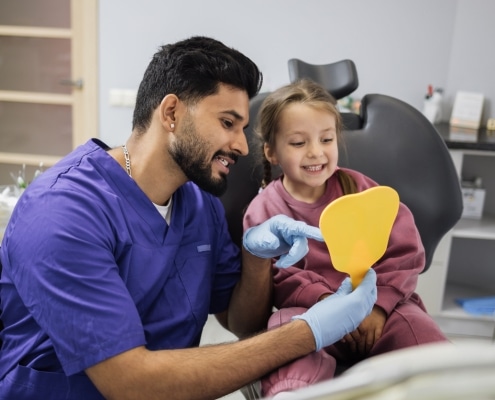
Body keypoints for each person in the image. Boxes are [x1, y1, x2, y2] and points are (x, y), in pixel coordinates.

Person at [0, 36, 378, 400]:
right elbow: (131, 383)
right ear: (171, 113)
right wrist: (306, 332)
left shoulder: (199, 201)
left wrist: (257, 258)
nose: (242, 146)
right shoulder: (61, 213)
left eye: (243, 129)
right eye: (228, 123)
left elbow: (241, 322)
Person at [243, 79, 449, 398]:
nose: (315, 152)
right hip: (310, 316)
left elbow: (402, 253)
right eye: (298, 143)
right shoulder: (265, 210)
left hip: (376, 312)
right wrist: (327, 305)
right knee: (282, 335)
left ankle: (439, 387)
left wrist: (378, 307)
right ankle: (293, 392)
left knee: (414, 326)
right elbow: (278, 277)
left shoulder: (364, 191)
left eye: (326, 139)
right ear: (271, 151)